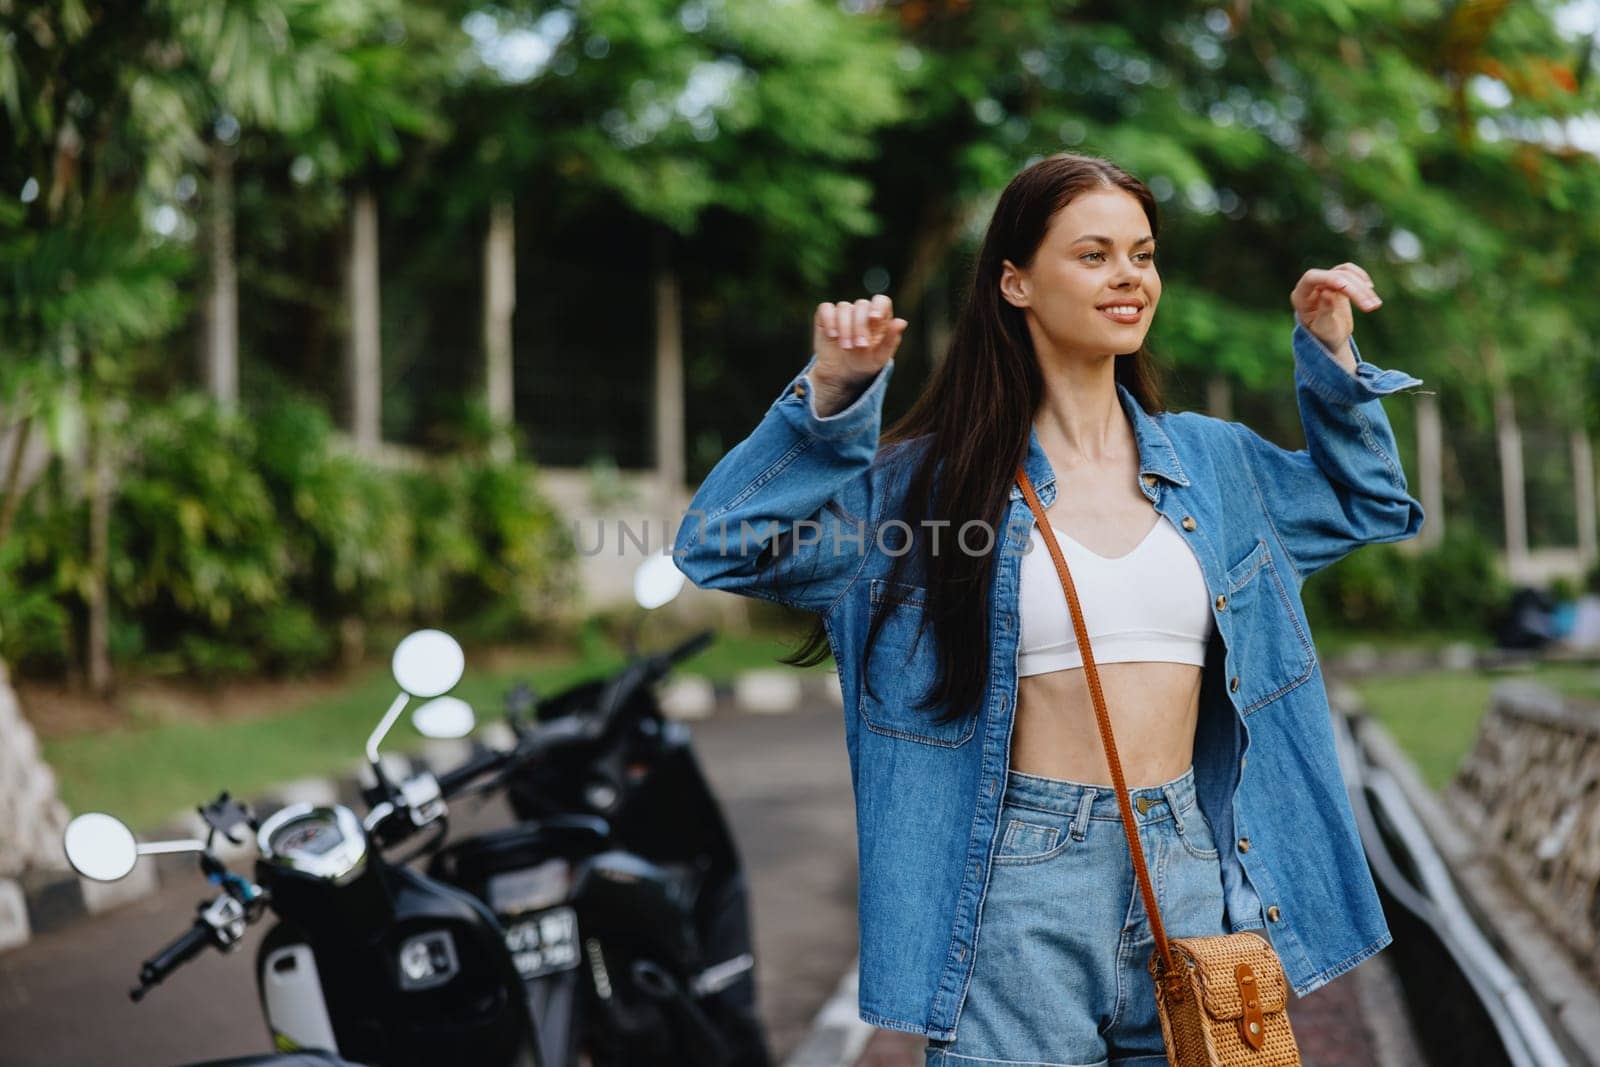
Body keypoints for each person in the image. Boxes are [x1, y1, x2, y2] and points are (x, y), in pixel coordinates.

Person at [673, 153, 1425, 1067]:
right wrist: (829, 401)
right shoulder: (927, 490)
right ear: (1015, 280)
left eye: (1142, 255)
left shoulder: (1216, 464)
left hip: (1190, 864)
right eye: (1095, 254)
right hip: (1017, 886)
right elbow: (721, 544)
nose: (1128, 277)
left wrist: (1330, 351)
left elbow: (1368, 504)